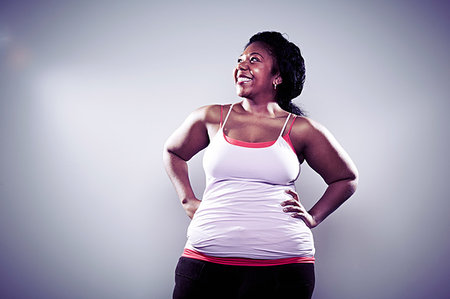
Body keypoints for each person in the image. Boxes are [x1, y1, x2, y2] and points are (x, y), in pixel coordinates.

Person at [163, 31, 358, 299]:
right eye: (240, 59)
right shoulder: (211, 117)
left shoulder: (301, 129)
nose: (241, 65)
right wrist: (187, 200)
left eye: (254, 60)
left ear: (278, 76)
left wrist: (313, 217)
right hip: (205, 263)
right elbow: (173, 151)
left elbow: (345, 179)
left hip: (283, 270)